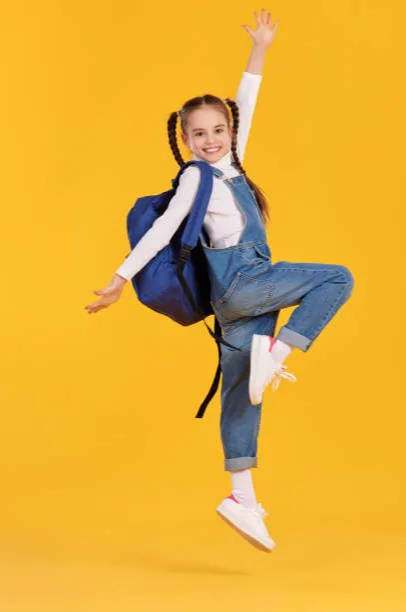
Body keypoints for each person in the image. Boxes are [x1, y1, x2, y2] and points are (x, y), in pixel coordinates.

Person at [85, 9, 354, 553]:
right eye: (199, 134)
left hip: (235, 302)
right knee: (338, 279)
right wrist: (119, 279)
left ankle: (242, 499)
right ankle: (277, 355)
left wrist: (260, 50)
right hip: (245, 283)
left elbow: (247, 100)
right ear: (184, 140)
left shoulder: (235, 163)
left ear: (229, 133)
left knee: (242, 397)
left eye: (218, 130)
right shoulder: (196, 177)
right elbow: (161, 231)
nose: (210, 140)